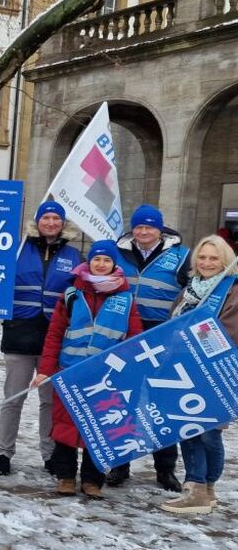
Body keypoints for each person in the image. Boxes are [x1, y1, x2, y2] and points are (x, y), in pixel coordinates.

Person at [32, 240, 143, 499]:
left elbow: (135, 337)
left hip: (106, 379)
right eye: (96, 259)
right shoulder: (71, 294)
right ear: (88, 262)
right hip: (69, 372)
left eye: (106, 260)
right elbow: (55, 334)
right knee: (65, 426)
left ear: (114, 264)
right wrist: (45, 370)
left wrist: (127, 368)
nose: (101, 264)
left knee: (99, 428)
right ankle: (66, 477)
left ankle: (93, 480)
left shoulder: (126, 298)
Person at [0, 201, 80, 476]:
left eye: (56, 218)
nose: (51, 223)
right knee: (13, 398)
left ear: (63, 223)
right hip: (19, 331)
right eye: (46, 218)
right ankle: (4, 452)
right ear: (38, 221)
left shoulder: (73, 256)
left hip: (54, 337)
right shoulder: (17, 249)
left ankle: (49, 453)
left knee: (49, 401)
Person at [109, 204, 191, 490]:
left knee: (162, 404)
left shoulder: (181, 256)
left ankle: (165, 469)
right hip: (125, 334)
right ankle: (120, 465)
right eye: (139, 226)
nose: (144, 231)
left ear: (160, 228)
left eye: (150, 226)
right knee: (123, 402)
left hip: (162, 336)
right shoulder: (117, 252)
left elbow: (194, 292)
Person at [161, 235, 238, 514]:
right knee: (189, 429)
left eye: (214, 258)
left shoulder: (233, 290)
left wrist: (189, 338)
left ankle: (203, 487)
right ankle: (200, 489)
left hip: (215, 372)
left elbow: (229, 333)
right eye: (202, 258)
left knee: (208, 432)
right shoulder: (190, 290)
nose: (207, 263)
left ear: (225, 261)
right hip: (184, 370)